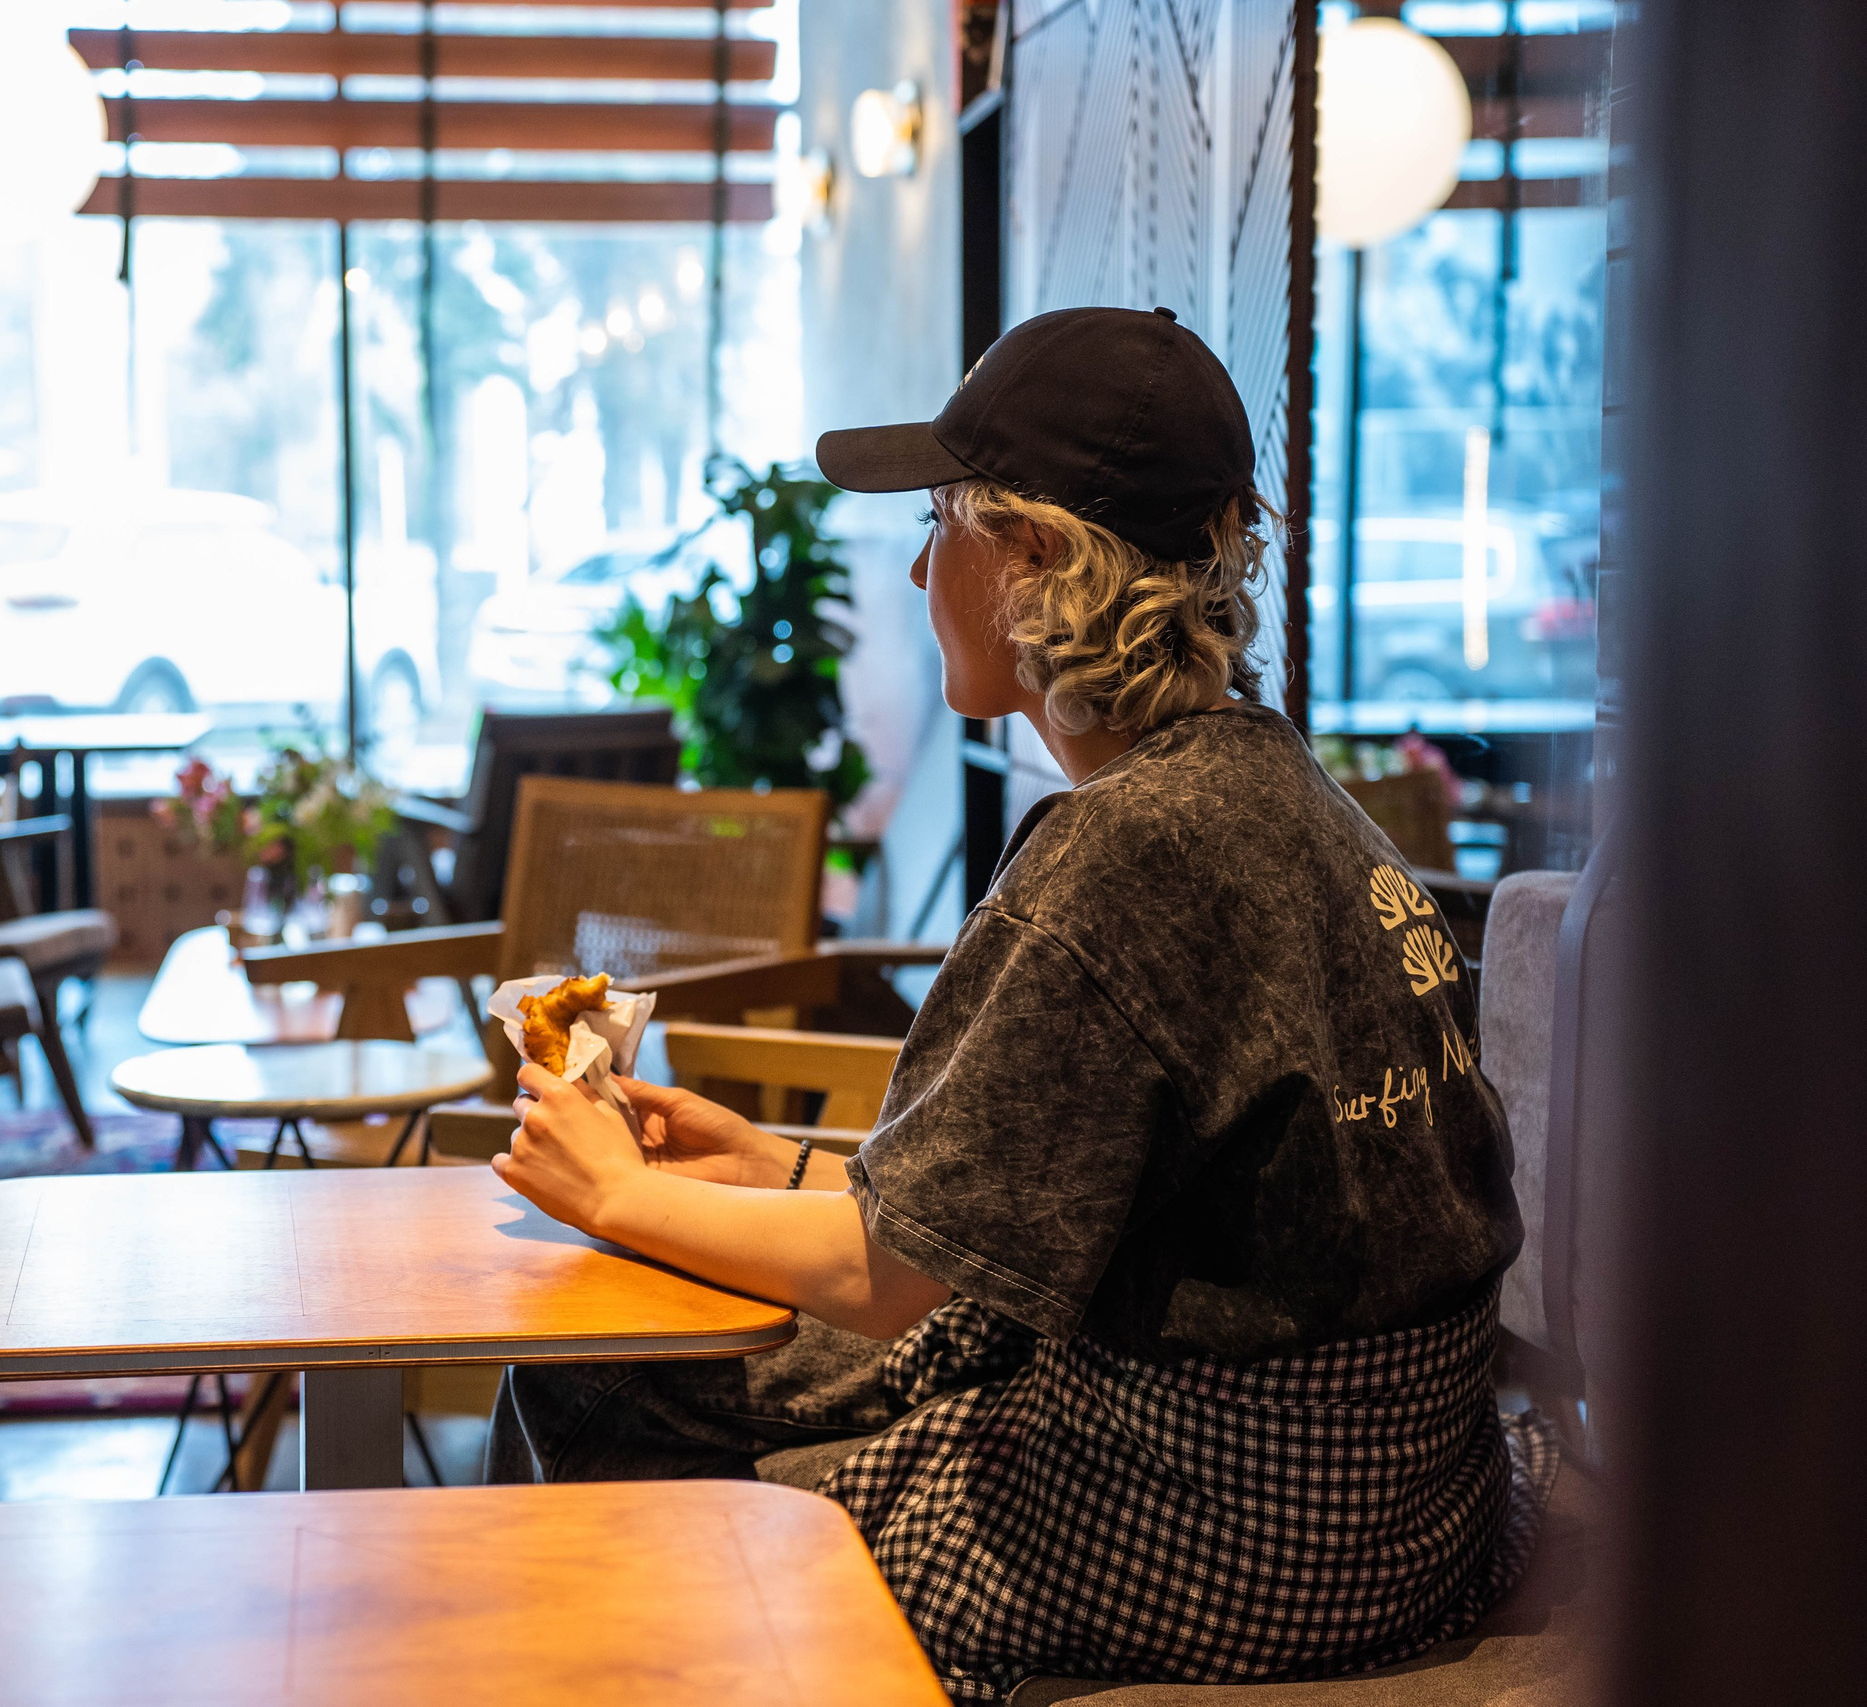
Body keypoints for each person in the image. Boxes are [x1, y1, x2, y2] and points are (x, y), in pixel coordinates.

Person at [485, 306, 1555, 1702]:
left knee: (612, 1417)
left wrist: (613, 1197)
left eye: (943, 525)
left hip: (1240, 1524)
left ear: (1033, 557)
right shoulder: (1280, 792)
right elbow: (1053, 1193)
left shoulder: (1125, 848)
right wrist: (772, 1165)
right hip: (1420, 1502)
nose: (924, 565)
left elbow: (885, 1284)